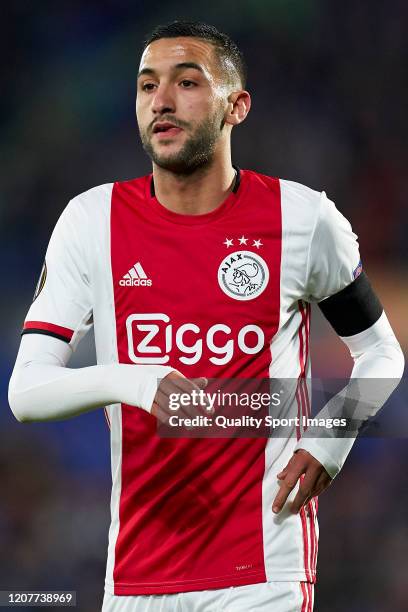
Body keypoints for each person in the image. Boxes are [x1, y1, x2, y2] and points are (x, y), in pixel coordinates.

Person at [8, 20, 404, 612]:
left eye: (186, 82)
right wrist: (138, 381)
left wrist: (332, 441)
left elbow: (381, 353)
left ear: (236, 106)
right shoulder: (91, 222)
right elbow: (27, 390)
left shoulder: (302, 219)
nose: (161, 101)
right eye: (147, 86)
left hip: (264, 567)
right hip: (138, 574)